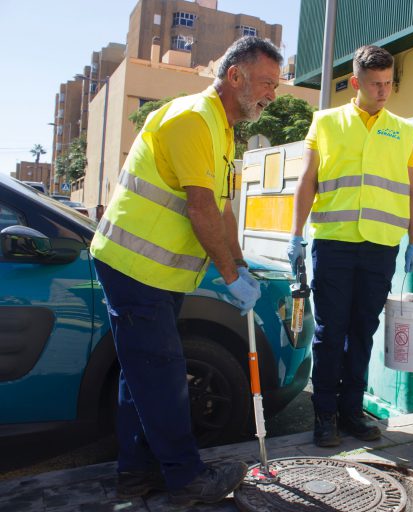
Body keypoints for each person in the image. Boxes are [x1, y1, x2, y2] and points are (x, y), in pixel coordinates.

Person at [89, 37, 281, 505]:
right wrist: (230, 277)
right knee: (163, 374)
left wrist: (237, 262)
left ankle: (137, 475)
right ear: (234, 76)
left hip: (157, 273)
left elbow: (223, 209)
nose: (271, 95)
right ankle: (186, 477)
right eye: (265, 84)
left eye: (275, 86)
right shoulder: (194, 119)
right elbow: (200, 211)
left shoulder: (222, 129)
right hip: (136, 267)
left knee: (143, 377)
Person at [288, 45, 413, 447]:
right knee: (331, 332)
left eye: (388, 83)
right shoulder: (326, 122)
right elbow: (307, 180)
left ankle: (351, 411)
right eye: (375, 84)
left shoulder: (403, 129)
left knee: (363, 330)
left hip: (381, 247)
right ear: (355, 82)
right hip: (334, 243)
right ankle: (324, 415)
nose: (383, 91)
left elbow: (412, 189)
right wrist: (295, 235)